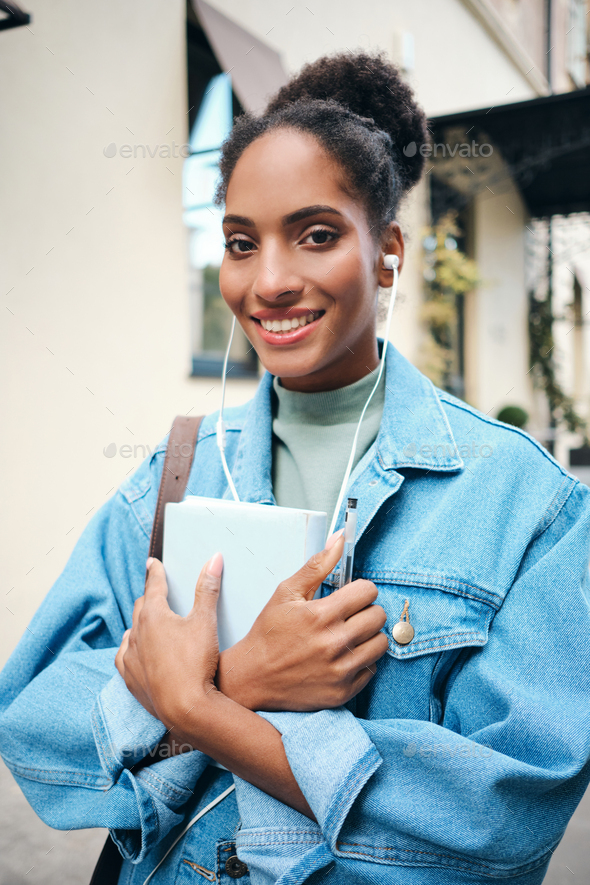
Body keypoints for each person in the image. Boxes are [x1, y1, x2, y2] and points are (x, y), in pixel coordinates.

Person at [1, 51, 590, 885]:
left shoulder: (526, 502)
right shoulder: (172, 477)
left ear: (386, 250)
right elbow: (32, 718)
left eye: (316, 235)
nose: (270, 281)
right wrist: (242, 675)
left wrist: (198, 704)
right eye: (241, 243)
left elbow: (504, 814)